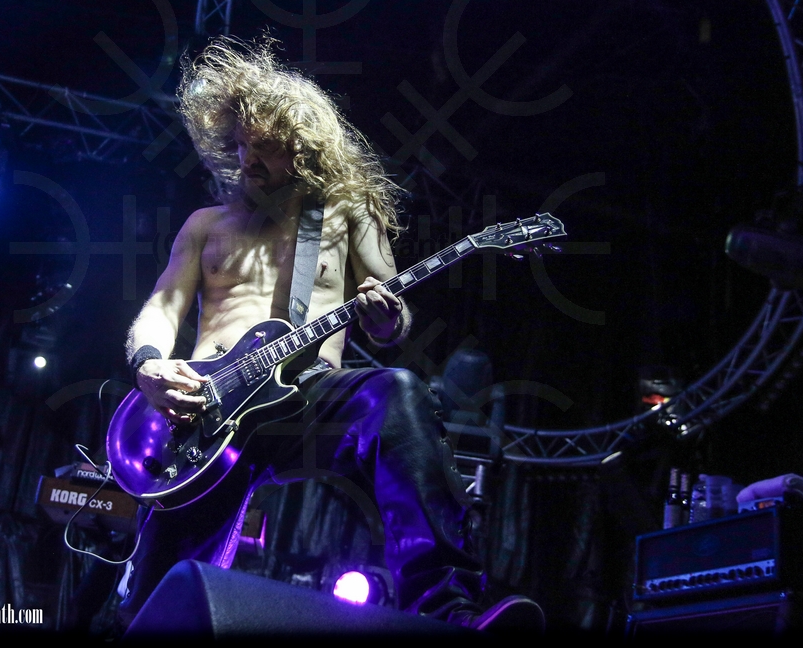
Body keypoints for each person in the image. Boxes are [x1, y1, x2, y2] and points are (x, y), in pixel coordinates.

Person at [118, 37, 543, 633]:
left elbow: (392, 314)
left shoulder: (347, 213)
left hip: (305, 398)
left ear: (303, 148)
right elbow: (163, 306)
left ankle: (450, 609)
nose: (247, 160)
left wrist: (384, 318)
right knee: (155, 599)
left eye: (265, 149)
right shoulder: (205, 224)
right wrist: (149, 364)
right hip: (204, 413)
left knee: (397, 392)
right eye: (239, 145)